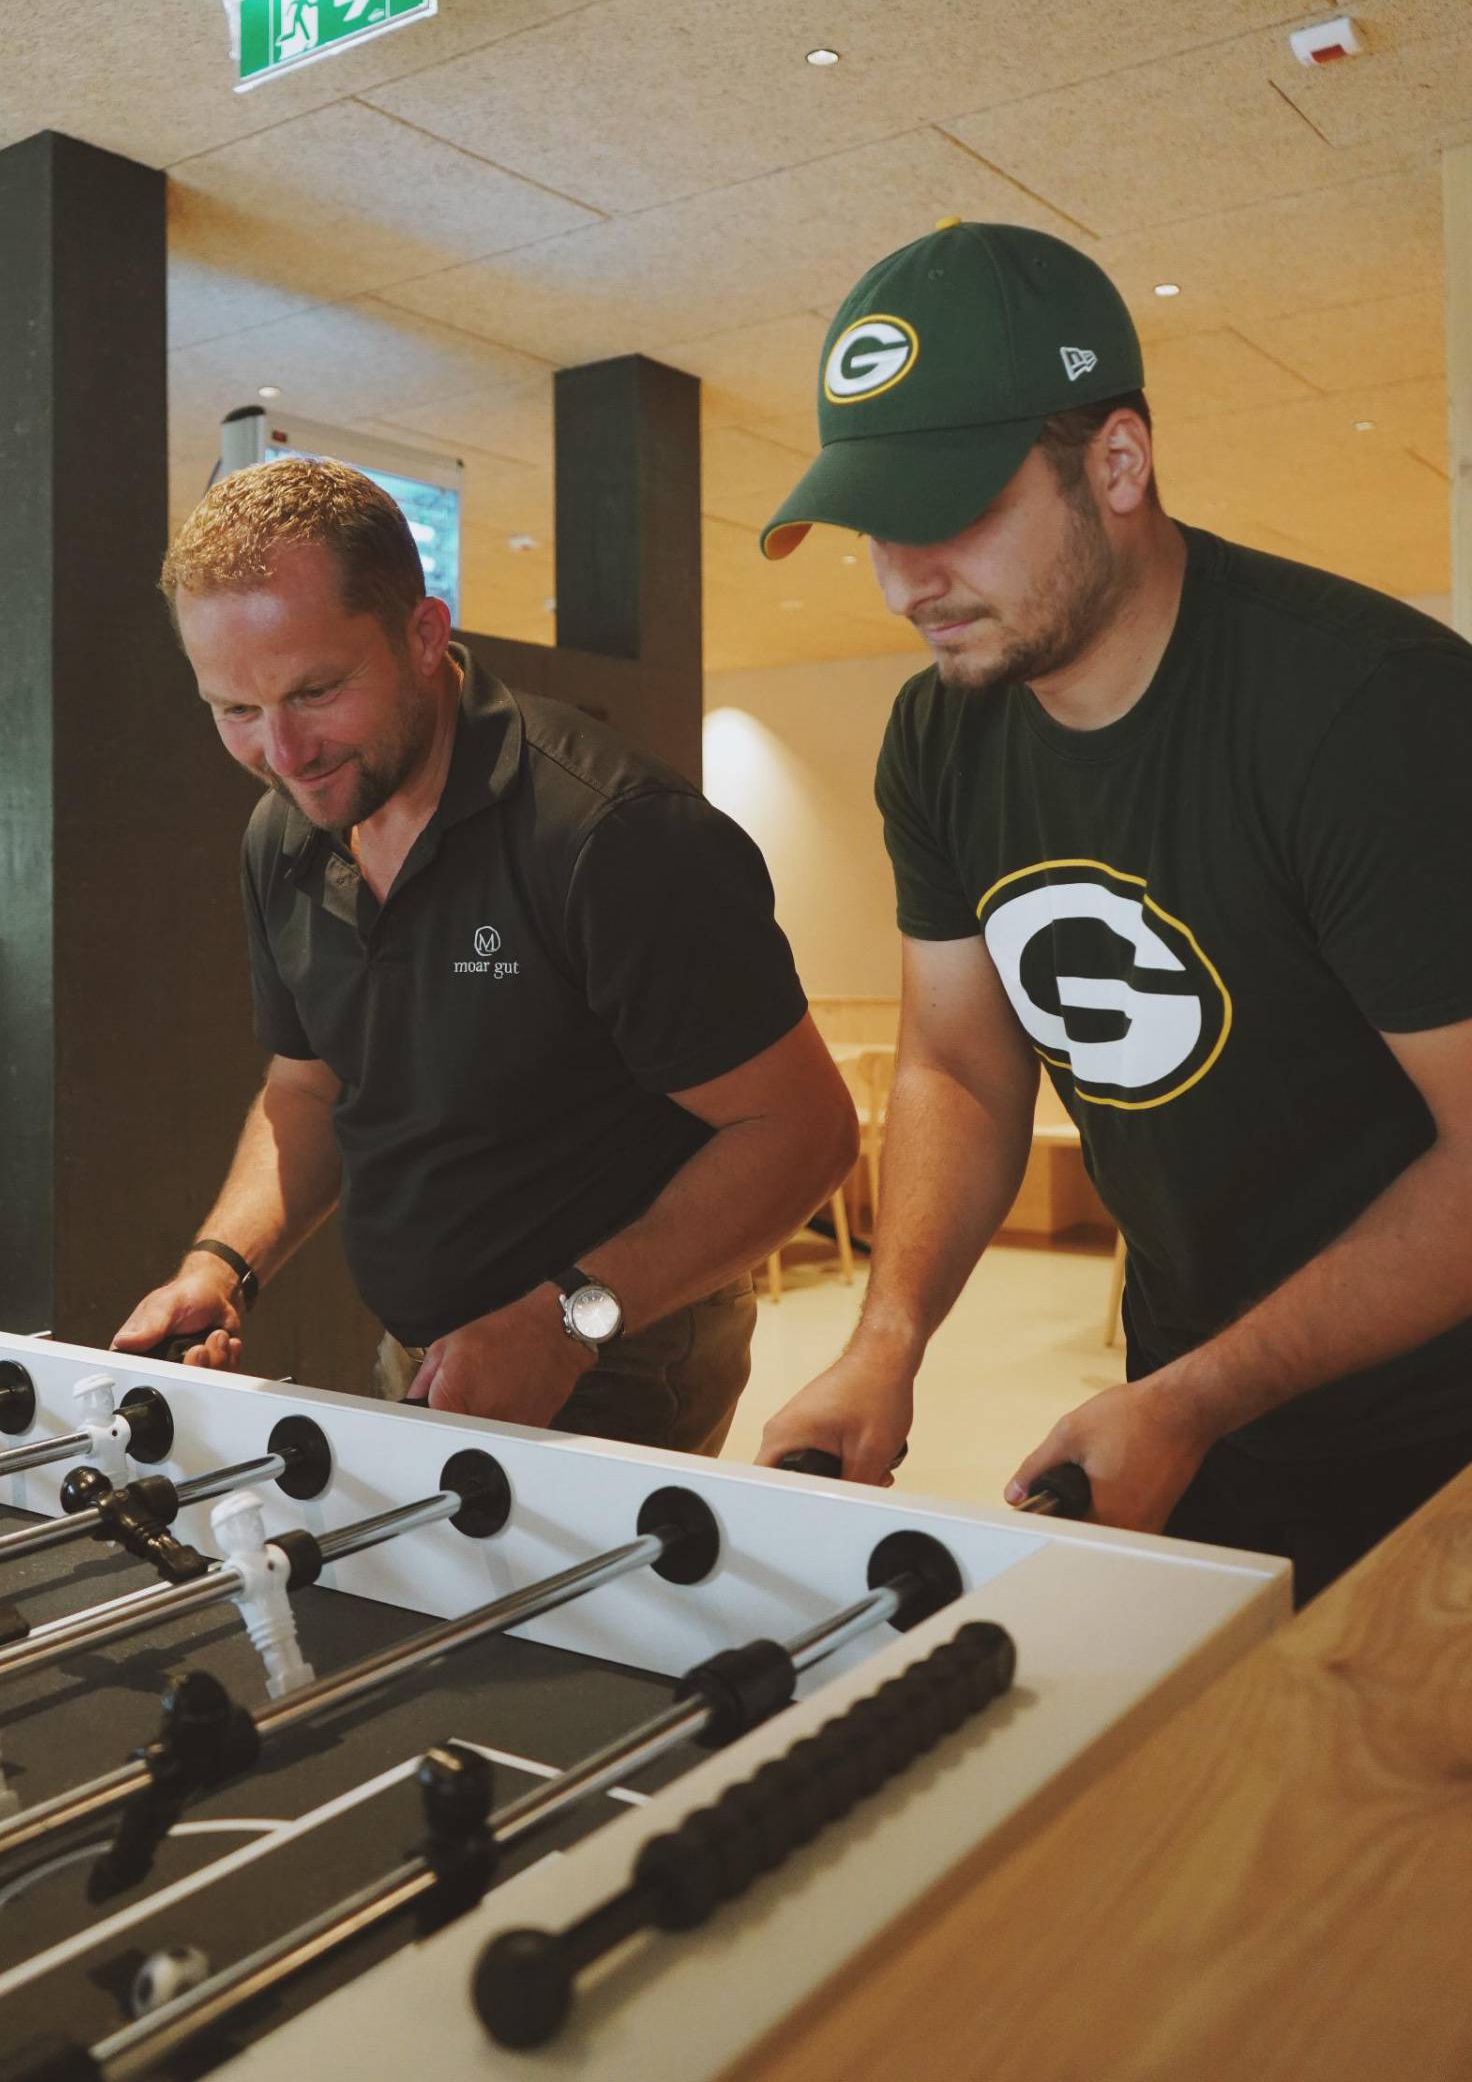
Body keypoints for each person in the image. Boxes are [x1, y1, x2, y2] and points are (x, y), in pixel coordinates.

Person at [753, 219, 1472, 1601]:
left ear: (1119, 463)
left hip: (1438, 1434)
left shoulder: (1367, 713)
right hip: (1198, 1403)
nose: (907, 582)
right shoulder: (940, 738)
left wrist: (1200, 1397)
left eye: (952, 509)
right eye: (875, 530)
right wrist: (885, 1338)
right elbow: (963, 1063)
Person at [113, 458, 857, 1455]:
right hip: (419, 1346)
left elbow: (802, 1132)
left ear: (424, 636)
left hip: (614, 1354)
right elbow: (309, 1086)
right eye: (236, 710)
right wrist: (220, 1266)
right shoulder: (282, 837)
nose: (283, 754)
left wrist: (561, 1325)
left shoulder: (613, 835)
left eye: (316, 691)